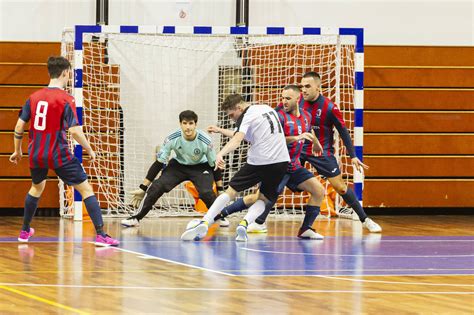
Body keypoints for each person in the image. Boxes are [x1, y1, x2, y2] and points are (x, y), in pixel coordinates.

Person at [9, 56, 119, 246]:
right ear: (66, 73)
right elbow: (75, 131)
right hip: (58, 153)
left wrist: (17, 151)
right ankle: (101, 235)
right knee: (86, 189)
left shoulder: (33, 97)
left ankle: (25, 231)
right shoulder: (66, 99)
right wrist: (89, 149)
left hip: (36, 153)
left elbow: (19, 127)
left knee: (36, 188)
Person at [212, 85, 327, 239]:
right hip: (278, 164)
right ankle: (219, 216)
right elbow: (269, 138)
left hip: (294, 165)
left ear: (297, 99)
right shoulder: (278, 115)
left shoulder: (306, 116)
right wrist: (296, 138)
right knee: (257, 198)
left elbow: (308, 132)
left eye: (287, 98)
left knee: (319, 191)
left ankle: (306, 228)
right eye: (282, 98)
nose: (283, 101)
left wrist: (316, 143)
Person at [181, 94, 290, 242]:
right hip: (282, 160)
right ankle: (244, 224)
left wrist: (220, 154)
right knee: (264, 198)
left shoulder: (247, 114)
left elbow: (238, 139)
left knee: (230, 191)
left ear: (240, 107)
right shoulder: (265, 108)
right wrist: (220, 130)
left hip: (260, 160)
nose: (232, 119)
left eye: (232, 115)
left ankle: (205, 221)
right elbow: (244, 135)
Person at [297, 71, 381, 232]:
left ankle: (365, 220)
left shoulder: (329, 107)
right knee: (277, 181)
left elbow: (343, 131)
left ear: (318, 87)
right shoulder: (298, 101)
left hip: (322, 152)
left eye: (307, 86)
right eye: (302, 87)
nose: (304, 90)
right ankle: (259, 220)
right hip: (300, 149)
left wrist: (353, 156)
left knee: (341, 188)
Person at [120, 110, 229, 227]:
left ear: (196, 125)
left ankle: (219, 216)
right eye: (185, 123)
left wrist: (220, 189)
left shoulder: (205, 140)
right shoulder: (172, 138)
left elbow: (214, 165)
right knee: (157, 187)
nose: (188, 127)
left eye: (191, 123)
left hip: (201, 167)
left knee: (206, 192)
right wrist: (143, 187)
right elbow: (159, 163)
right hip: (178, 166)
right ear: (180, 124)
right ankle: (136, 218)